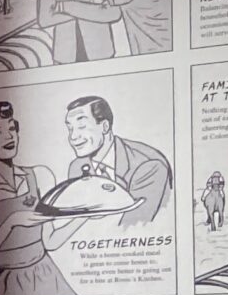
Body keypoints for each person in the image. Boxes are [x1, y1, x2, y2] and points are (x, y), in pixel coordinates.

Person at [0, 100, 77, 295]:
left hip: (46, 274)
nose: (9, 137)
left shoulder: (39, 175)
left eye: (12, 128)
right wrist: (12, 222)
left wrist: (84, 215)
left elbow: (50, 242)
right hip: (8, 282)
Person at [61, 91, 171, 223]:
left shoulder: (148, 165)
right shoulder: (77, 167)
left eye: (82, 127)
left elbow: (133, 226)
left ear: (105, 126)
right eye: (70, 129)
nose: (73, 137)